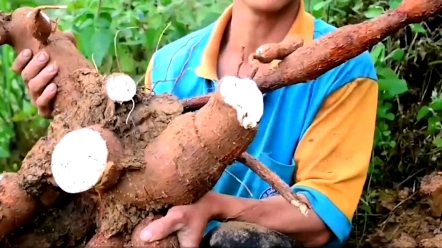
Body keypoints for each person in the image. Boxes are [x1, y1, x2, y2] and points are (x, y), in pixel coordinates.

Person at [12, 0, 378, 247]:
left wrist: (214, 208)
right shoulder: (171, 63)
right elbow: (133, 175)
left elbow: (320, 217)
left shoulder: (343, 67)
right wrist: (74, 112)